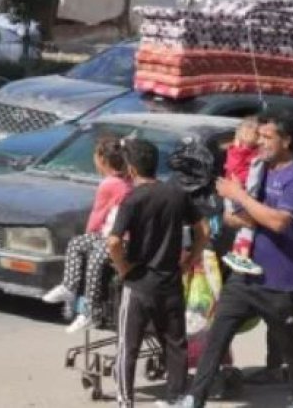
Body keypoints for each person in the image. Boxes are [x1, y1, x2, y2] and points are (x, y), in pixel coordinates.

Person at [178, 110, 293, 408]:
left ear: (287, 141)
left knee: (289, 344)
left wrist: (242, 200)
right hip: (243, 275)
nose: (261, 143)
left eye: (268, 138)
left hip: (279, 279)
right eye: (260, 136)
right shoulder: (257, 169)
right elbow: (231, 218)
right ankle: (193, 398)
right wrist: (244, 212)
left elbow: (279, 223)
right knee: (217, 337)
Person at [107, 139, 210, 408]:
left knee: (129, 346)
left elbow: (114, 242)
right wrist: (189, 259)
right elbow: (204, 231)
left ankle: (125, 401)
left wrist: (123, 269)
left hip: (139, 284)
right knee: (176, 344)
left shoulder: (133, 200)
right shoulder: (176, 194)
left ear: (130, 168)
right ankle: (176, 399)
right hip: (171, 283)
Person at [42, 137, 132, 332]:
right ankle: (69, 288)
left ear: (102, 160)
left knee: (93, 254)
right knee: (77, 244)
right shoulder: (125, 180)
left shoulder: (110, 184)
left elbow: (98, 214)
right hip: (111, 235)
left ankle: (90, 311)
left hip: (121, 239)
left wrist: (90, 234)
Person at [221, 117, 265, 275]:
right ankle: (244, 256)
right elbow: (253, 177)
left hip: (229, 196)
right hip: (241, 193)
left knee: (241, 227)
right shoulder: (252, 155)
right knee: (248, 225)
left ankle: (236, 253)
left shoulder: (232, 151)